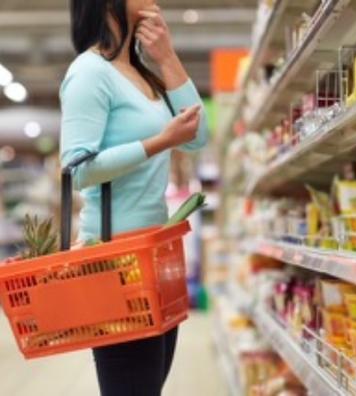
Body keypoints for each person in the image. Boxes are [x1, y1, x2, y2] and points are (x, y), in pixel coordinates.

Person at [60, 0, 209, 395]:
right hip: (115, 262)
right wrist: (162, 141)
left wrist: (168, 57)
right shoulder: (89, 72)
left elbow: (200, 136)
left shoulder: (142, 70)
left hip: (155, 255)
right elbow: (78, 169)